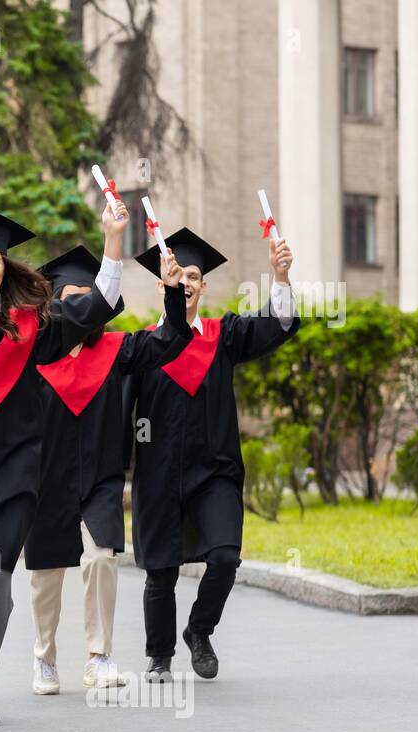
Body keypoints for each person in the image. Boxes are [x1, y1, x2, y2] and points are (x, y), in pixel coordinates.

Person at [0, 206, 125, 726]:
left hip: (12, 481)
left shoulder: (31, 327)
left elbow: (95, 309)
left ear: (5, 267)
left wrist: (113, 240)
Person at [125, 228, 297, 681]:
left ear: (204, 286)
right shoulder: (143, 346)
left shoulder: (223, 336)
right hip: (158, 471)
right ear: (162, 284)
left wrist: (280, 275)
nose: (186, 282)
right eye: (177, 275)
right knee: (160, 569)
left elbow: (274, 324)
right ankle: (159, 654)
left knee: (224, 556)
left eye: (194, 276)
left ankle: (199, 631)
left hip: (214, 471)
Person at [25, 244, 190, 694]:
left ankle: (99, 656)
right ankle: (45, 656)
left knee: (100, 558)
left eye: (88, 297)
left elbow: (170, 341)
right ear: (54, 305)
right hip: (45, 480)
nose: (79, 307)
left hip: (100, 478)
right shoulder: (36, 355)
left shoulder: (117, 351)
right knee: (45, 573)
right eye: (69, 299)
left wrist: (173, 295)